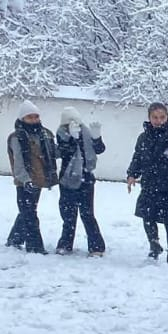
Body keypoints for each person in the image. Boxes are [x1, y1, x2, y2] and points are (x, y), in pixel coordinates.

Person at [125, 102, 168, 265]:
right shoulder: (144, 137)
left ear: (167, 116)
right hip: (150, 183)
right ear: (149, 118)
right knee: (147, 216)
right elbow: (138, 157)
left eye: (162, 117)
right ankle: (154, 244)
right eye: (155, 117)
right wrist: (132, 174)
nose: (159, 120)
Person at [5, 101, 59, 253]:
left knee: (27, 211)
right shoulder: (17, 137)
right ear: (22, 118)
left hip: (39, 179)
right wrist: (25, 180)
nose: (34, 120)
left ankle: (14, 239)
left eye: (36, 116)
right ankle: (35, 247)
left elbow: (54, 153)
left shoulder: (45, 134)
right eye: (30, 117)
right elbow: (18, 161)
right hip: (25, 181)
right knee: (30, 214)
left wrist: (68, 142)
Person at [54, 107, 107, 256]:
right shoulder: (61, 133)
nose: (73, 124)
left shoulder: (86, 132)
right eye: (69, 122)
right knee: (68, 215)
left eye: (76, 121)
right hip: (67, 179)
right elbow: (63, 152)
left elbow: (99, 150)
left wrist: (97, 138)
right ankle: (65, 244)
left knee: (87, 214)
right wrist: (72, 139)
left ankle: (96, 247)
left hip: (86, 178)